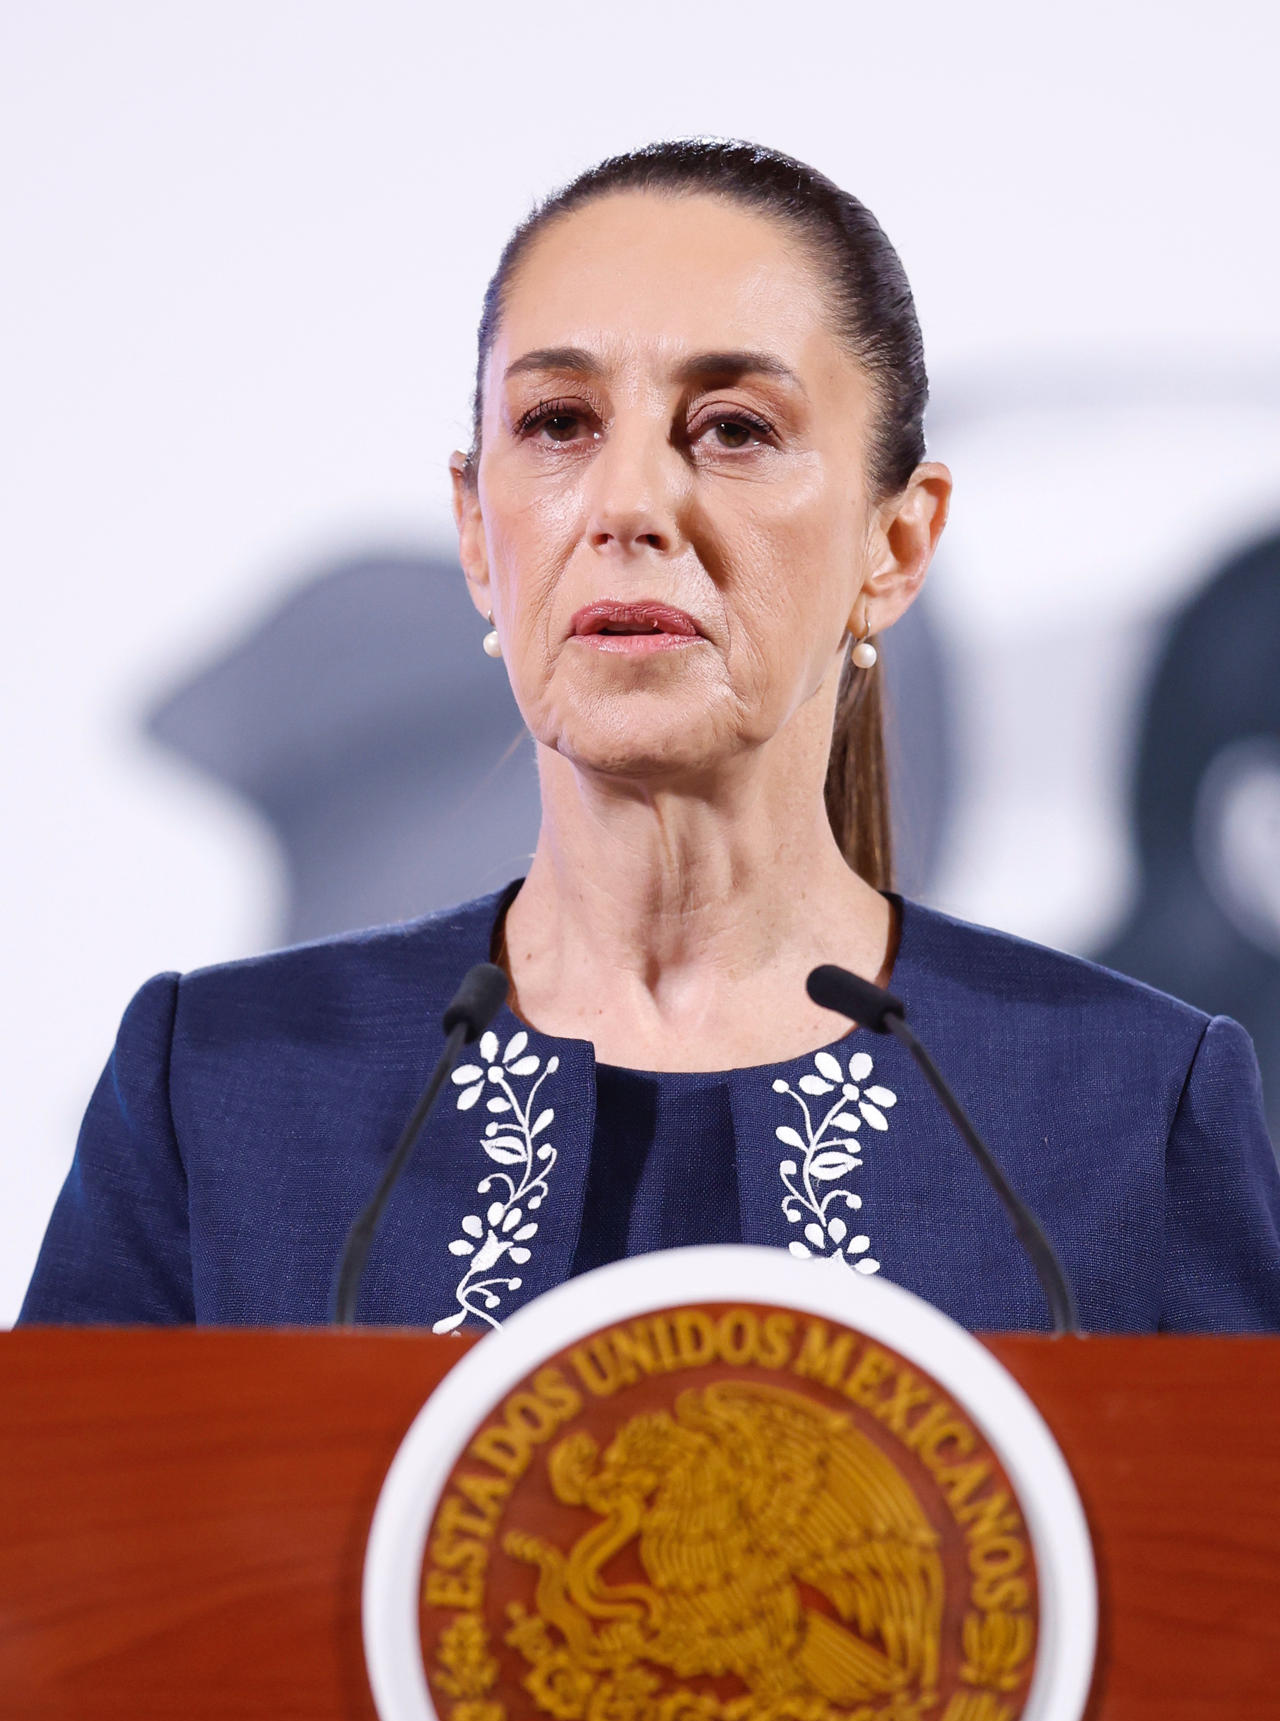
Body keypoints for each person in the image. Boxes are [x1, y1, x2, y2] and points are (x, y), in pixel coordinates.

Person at [21, 140, 1280, 1333]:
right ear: (474, 534)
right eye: (559, 424)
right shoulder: (224, 1089)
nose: (627, 504)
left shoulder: (1130, 1100)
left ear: (894, 545)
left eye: (733, 428)